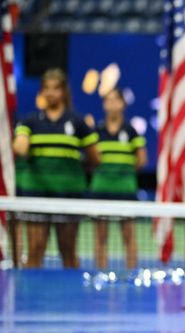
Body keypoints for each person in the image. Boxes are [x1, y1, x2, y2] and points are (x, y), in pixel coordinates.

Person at [13, 68, 100, 268]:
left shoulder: (78, 122)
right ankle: (29, 299)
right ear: (41, 92)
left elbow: (95, 157)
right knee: (35, 251)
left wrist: (74, 171)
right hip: (36, 195)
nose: (51, 93)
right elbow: (21, 148)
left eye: (56, 88)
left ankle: (73, 298)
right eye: (46, 88)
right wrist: (16, 146)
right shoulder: (29, 122)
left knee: (68, 252)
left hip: (68, 195)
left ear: (64, 92)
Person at [89, 88, 147, 270]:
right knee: (100, 236)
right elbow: (92, 158)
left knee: (129, 236)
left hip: (125, 189)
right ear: (104, 104)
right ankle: (100, 272)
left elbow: (142, 160)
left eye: (116, 100)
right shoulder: (96, 131)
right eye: (108, 100)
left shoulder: (131, 131)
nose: (112, 104)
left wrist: (124, 173)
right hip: (101, 189)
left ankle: (131, 273)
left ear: (123, 104)